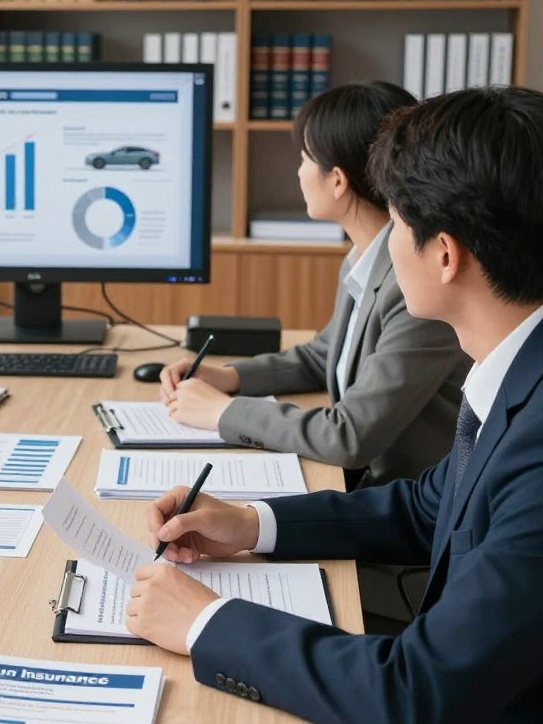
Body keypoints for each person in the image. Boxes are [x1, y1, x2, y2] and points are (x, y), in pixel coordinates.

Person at [127, 86, 543, 724]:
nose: (387, 242)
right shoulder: (515, 370)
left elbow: (412, 695)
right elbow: (426, 503)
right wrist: (252, 524)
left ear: (444, 254)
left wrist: (202, 623)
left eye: (402, 222)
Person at [160, 81, 469, 490]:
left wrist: (223, 411)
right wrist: (230, 377)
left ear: (338, 180)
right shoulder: (364, 256)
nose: (299, 170)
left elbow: (348, 435)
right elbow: (322, 356)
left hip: (401, 510)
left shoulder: (417, 286)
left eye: (305, 158)